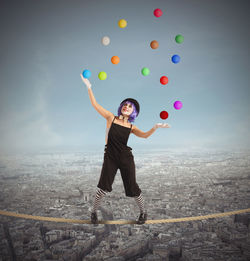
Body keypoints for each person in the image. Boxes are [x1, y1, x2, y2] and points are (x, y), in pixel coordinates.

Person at [80, 74, 171, 224]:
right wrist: (89, 87)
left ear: (133, 112)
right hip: (110, 156)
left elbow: (144, 136)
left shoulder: (131, 126)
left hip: (125, 158)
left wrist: (155, 127)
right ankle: (94, 211)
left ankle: (143, 212)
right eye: (125, 104)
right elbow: (95, 105)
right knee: (102, 187)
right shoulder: (111, 117)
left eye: (130, 106)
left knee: (133, 187)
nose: (126, 107)